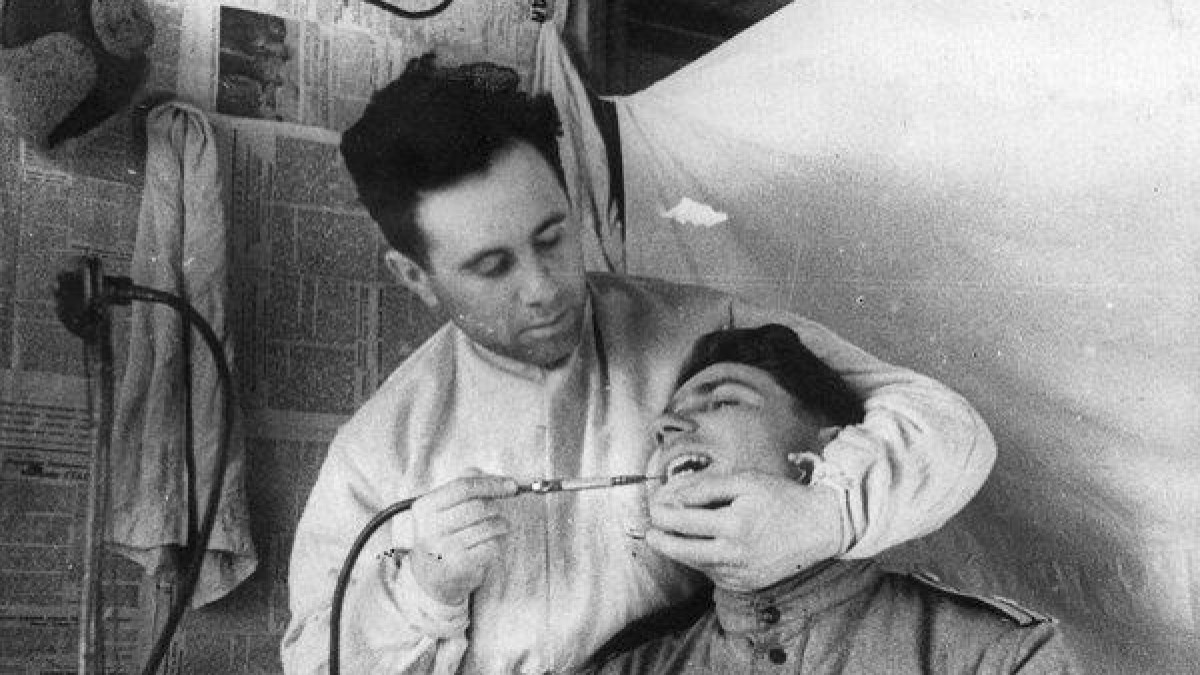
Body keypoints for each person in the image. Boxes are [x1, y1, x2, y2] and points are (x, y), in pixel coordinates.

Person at [280, 52, 997, 674]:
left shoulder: (700, 332)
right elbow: (316, 663)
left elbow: (942, 422)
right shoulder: (378, 453)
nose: (543, 288)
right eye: (493, 266)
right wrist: (420, 593)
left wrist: (826, 514)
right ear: (415, 277)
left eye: (552, 236)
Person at [585, 324, 1076, 674]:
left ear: (828, 451)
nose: (667, 426)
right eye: (668, 421)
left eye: (723, 400)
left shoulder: (997, 658)